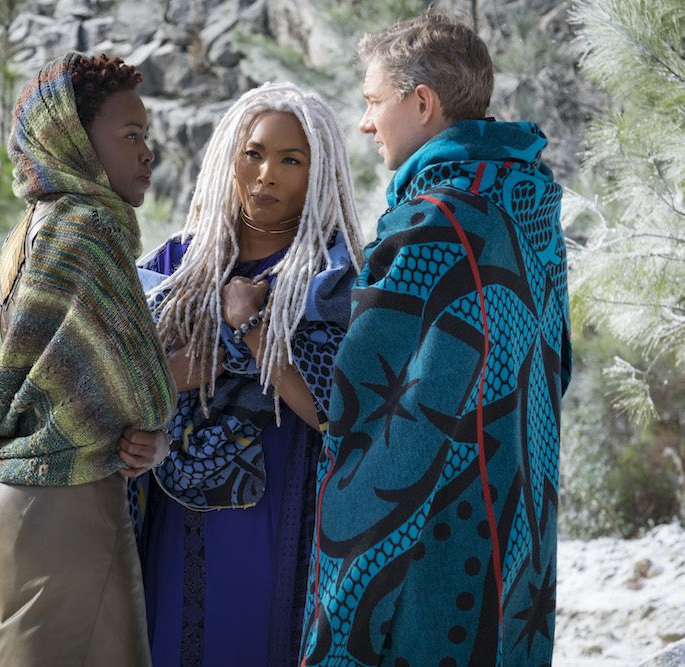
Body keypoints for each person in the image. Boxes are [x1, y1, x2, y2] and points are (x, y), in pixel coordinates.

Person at [300, 14, 573, 667]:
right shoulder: (527, 205)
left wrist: (342, 622)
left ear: (422, 102)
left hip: (439, 562)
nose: (365, 124)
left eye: (373, 103)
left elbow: (377, 430)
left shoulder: (434, 221)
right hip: (518, 539)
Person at [138, 82, 364, 667]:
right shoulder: (177, 264)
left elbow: (329, 409)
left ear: (320, 174)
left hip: (281, 503)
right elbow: (124, 374)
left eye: (292, 160)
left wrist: (253, 325)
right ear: (228, 157)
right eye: (254, 153)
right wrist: (206, 356)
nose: (267, 174)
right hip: (171, 500)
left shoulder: (332, 273)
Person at [0, 53, 176, 666]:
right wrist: (155, 426)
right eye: (130, 136)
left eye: (148, 136)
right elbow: (142, 389)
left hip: (5, 498)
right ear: (75, 142)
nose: (147, 153)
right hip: (63, 505)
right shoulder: (91, 226)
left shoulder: (32, 227)